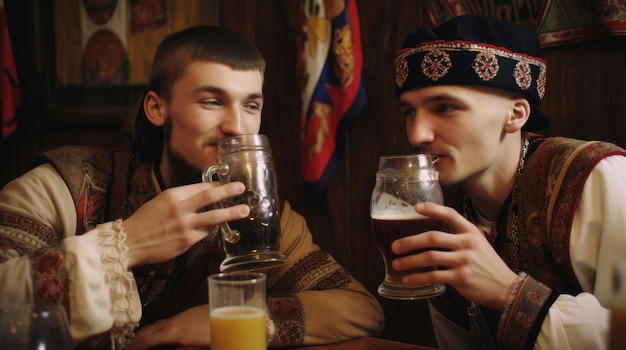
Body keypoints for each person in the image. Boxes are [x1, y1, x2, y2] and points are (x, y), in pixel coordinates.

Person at [0, 26, 383, 349]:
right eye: (212, 101)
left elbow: (359, 308)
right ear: (157, 108)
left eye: (251, 105)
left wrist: (223, 320)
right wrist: (128, 242)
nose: (237, 126)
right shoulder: (63, 186)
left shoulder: (262, 215)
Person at [389, 15, 625, 349]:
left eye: (444, 107)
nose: (417, 134)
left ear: (516, 115)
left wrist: (509, 294)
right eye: (409, 112)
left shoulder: (595, 179)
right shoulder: (441, 211)